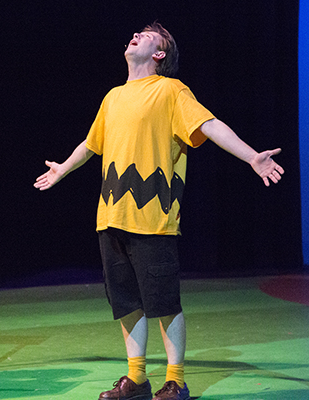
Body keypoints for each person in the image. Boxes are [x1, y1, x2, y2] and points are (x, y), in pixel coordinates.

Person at [34, 22, 284, 400]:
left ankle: (176, 381)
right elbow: (91, 143)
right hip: (111, 216)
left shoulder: (170, 90)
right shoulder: (113, 96)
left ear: (160, 54)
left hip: (152, 217)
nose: (135, 34)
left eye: (147, 34)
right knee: (126, 303)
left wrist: (252, 157)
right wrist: (63, 169)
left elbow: (210, 125)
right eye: (136, 32)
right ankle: (136, 378)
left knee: (163, 302)